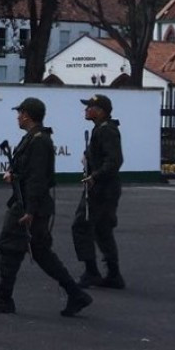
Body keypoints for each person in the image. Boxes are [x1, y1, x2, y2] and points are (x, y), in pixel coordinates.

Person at [0, 97, 93, 317]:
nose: (17, 117)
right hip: (31, 203)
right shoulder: (34, 138)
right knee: (39, 252)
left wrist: (29, 210)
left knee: (9, 246)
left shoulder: (38, 141)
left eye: (20, 113)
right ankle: (75, 294)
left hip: (29, 205)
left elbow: (37, 179)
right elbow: (29, 172)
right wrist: (14, 175)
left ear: (27, 115)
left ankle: (4, 298)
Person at [72, 94, 126, 289]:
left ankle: (92, 272)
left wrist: (95, 176)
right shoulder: (100, 129)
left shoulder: (106, 131)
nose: (86, 110)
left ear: (101, 111)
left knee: (81, 226)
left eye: (90, 107)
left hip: (102, 189)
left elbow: (114, 160)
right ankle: (113, 275)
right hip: (105, 188)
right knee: (102, 229)